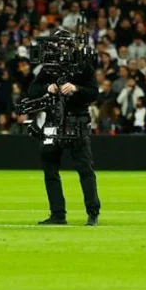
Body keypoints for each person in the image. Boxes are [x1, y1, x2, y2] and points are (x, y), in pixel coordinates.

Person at [25, 39, 102, 226]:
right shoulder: (49, 68)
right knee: (50, 169)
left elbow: (94, 93)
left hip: (77, 120)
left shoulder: (83, 67)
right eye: (58, 47)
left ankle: (92, 213)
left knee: (85, 169)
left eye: (65, 47)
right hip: (53, 122)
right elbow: (32, 90)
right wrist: (47, 88)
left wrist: (76, 88)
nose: (61, 51)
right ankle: (57, 214)